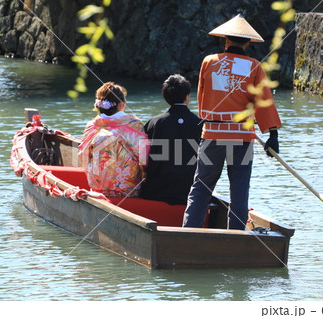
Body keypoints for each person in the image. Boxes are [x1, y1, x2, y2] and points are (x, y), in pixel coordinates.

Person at [182, 14, 282, 230]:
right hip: (242, 137)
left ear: (225, 40)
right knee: (239, 190)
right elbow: (264, 101)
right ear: (247, 42)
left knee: (201, 187)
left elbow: (202, 99)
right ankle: (235, 236)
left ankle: (189, 232)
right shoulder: (254, 66)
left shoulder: (209, 62)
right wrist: (272, 134)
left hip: (212, 134)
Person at [140, 74, 203, 205]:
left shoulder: (154, 123)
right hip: (189, 191)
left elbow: (142, 159)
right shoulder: (200, 124)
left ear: (165, 96)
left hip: (156, 190)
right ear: (187, 97)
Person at [78, 82, 148, 197]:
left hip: (98, 185)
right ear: (120, 104)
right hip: (128, 187)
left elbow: (82, 155)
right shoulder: (132, 124)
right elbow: (143, 156)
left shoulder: (92, 125)